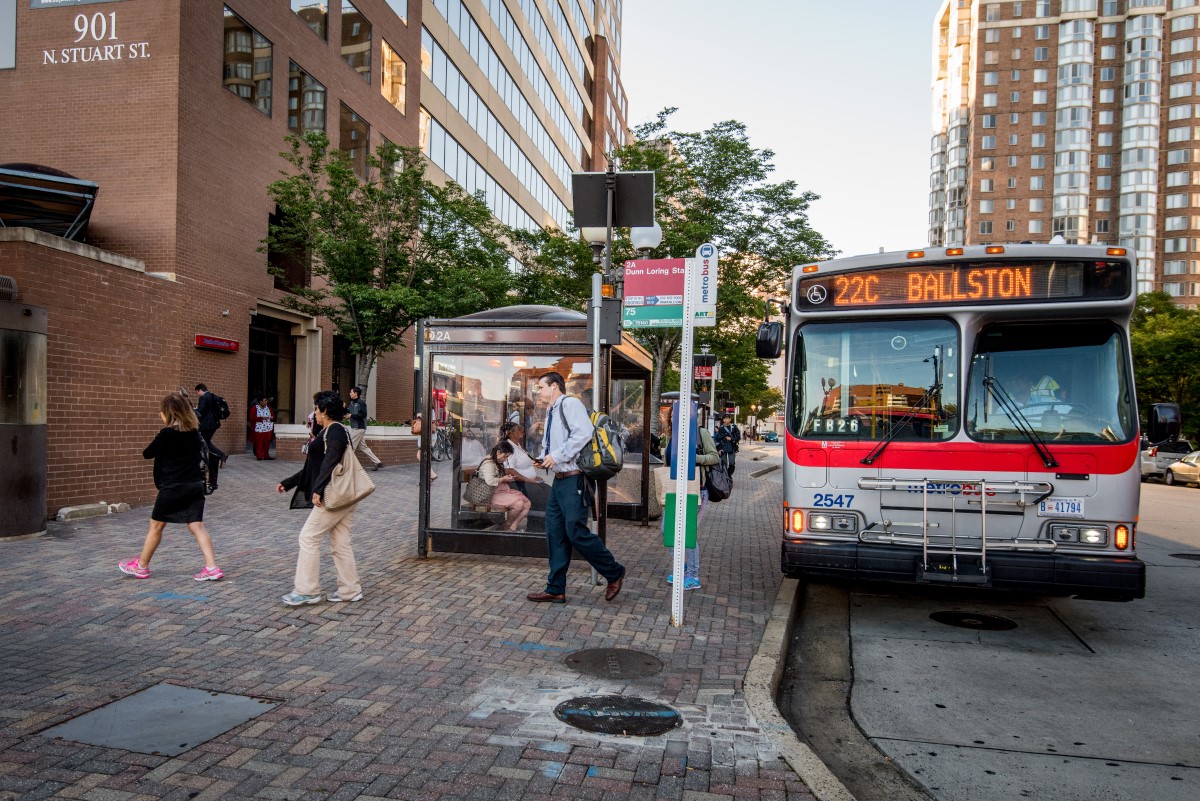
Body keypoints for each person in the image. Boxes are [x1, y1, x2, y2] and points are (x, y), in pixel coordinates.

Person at [526, 372, 626, 604]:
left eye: (541, 387)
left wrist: (557, 455)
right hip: (560, 480)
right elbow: (556, 444)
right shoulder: (551, 411)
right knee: (555, 533)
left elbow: (583, 433)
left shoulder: (570, 404)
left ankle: (614, 572)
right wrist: (543, 458)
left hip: (575, 480)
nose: (538, 392)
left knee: (576, 532)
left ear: (554, 387)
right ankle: (556, 589)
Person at [119, 393, 223, 581]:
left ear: (168, 413)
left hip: (172, 487)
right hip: (194, 486)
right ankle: (212, 567)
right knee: (197, 526)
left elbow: (147, 453)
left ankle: (141, 567)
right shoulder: (194, 433)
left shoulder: (167, 434)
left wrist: (163, 436)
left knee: (156, 526)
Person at [277, 390, 364, 606]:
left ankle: (307, 590)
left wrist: (318, 489)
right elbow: (313, 466)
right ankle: (350, 589)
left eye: (316, 409)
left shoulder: (334, 431)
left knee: (308, 537)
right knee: (341, 543)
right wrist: (289, 482)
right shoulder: (329, 431)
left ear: (324, 411)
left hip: (333, 496)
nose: (314, 413)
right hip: (344, 496)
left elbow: (331, 461)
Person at [665, 418, 720, 591]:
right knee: (667, 529)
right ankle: (682, 567)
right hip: (676, 489)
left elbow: (714, 457)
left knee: (688, 533)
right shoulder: (673, 436)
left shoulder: (700, 433)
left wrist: (694, 458)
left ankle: (693, 575)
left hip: (697, 490)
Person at [479, 440, 532, 531]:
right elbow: (490, 481)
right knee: (519, 504)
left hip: (500, 491)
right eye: (505, 456)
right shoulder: (488, 463)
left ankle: (512, 526)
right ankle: (507, 527)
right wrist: (504, 479)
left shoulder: (497, 461)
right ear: (498, 452)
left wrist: (507, 477)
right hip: (490, 494)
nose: (506, 459)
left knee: (527, 503)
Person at [194, 383, 226, 489]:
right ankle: (219, 456)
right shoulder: (212, 396)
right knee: (206, 441)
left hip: (207, 425)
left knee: (204, 441)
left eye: (197, 392)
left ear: (200, 390)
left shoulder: (204, 397)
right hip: (214, 423)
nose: (198, 394)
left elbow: (201, 411)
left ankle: (220, 455)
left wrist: (194, 410)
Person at [346, 386, 383, 471]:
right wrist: (344, 409)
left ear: (356, 393)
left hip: (358, 427)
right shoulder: (352, 402)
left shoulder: (360, 403)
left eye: (351, 392)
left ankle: (349, 466)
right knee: (363, 447)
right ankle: (377, 462)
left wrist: (351, 415)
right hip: (356, 427)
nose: (350, 393)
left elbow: (363, 414)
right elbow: (349, 411)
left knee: (350, 447)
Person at [412, 412, 437, 481]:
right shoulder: (431, 409)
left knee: (420, 455)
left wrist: (421, 416)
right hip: (426, 436)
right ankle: (429, 476)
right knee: (422, 456)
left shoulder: (431, 409)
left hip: (426, 437)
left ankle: (431, 474)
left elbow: (432, 424)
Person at [251, 394, 275, 460]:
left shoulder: (268, 408)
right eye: (264, 401)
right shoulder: (255, 408)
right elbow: (252, 418)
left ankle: (266, 455)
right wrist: (261, 418)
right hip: (259, 428)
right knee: (260, 443)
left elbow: (272, 415)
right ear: (260, 402)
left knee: (266, 443)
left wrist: (272, 417)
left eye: (266, 401)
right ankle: (260, 456)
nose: (265, 402)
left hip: (268, 428)